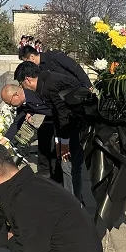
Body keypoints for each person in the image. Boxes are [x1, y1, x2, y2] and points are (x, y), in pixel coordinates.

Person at [15, 61, 86, 204]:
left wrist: (64, 142)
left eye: (21, 83)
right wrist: (59, 140)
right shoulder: (44, 82)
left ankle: (74, 204)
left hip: (79, 124)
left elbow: (63, 113)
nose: (22, 87)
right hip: (69, 125)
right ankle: (73, 199)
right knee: (66, 164)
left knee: (69, 165)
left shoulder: (49, 84)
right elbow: (56, 114)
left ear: (27, 79)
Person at [0, 83, 60, 183]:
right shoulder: (23, 104)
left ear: (16, 95)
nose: (10, 106)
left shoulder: (37, 92)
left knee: (55, 143)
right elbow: (17, 122)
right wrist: (3, 141)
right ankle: (44, 170)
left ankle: (56, 175)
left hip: (63, 116)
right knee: (43, 133)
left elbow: (56, 106)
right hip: (52, 116)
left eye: (9, 103)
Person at [19, 45, 92, 90]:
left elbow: (74, 67)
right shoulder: (39, 69)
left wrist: (87, 84)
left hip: (77, 88)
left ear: (32, 56)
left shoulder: (53, 56)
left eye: (26, 61)